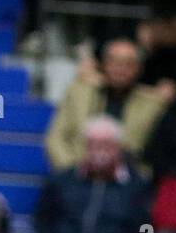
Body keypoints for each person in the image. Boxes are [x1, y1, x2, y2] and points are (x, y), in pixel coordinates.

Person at [44, 38, 167, 172]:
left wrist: (137, 178)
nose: (120, 68)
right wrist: (73, 173)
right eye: (114, 61)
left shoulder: (153, 105)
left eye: (128, 63)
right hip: (76, 174)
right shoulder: (79, 92)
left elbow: (157, 153)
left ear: (138, 68)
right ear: (103, 64)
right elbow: (55, 139)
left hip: (128, 183)